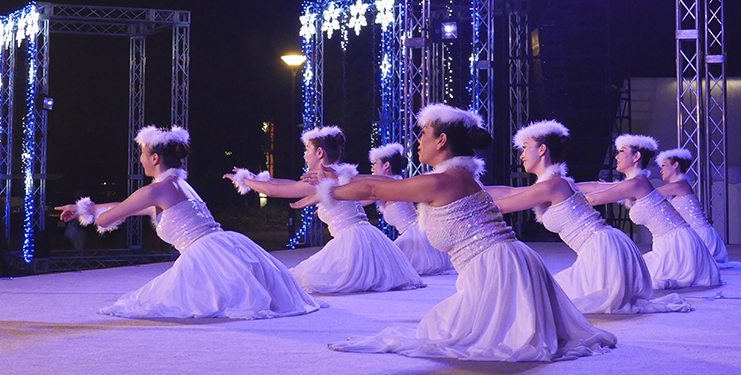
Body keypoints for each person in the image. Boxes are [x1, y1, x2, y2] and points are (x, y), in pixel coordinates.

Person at [292, 104, 617, 362]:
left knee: (453, 333)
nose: (419, 141)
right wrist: (336, 182)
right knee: (441, 326)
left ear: (442, 140)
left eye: (424, 134)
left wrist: (329, 190)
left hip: (502, 271)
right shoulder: (455, 177)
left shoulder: (445, 180)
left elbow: (375, 188)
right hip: (506, 265)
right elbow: (383, 183)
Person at [56, 125, 323, 319]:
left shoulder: (155, 190)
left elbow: (108, 218)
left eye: (142, 153)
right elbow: (132, 207)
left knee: (160, 302)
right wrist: (84, 208)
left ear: (154, 158)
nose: (140, 158)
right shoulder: (179, 185)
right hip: (225, 244)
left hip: (204, 255)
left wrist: (102, 213)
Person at [488, 120, 691, 314]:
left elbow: (504, 205)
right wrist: (475, 188)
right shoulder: (554, 183)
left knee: (540, 300)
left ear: (542, 150)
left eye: (525, 147)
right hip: (605, 247)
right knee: (542, 296)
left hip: (603, 252)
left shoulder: (552, 185)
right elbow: (510, 191)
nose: (522, 155)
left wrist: (470, 200)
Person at [226, 125, 424, 294]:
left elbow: (275, 191)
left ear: (320, 153)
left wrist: (244, 180)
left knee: (300, 278)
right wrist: (257, 179)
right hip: (369, 237)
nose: (304, 155)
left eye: (307, 150)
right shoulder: (341, 174)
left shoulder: (321, 179)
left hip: (352, 243)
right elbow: (289, 184)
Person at [578, 134, 721, 290]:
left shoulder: (637, 183)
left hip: (679, 246)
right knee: (624, 274)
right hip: (669, 243)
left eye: (622, 151)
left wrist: (562, 194)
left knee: (624, 278)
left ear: (636, 156)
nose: (617, 156)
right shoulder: (635, 183)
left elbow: (594, 199)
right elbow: (596, 186)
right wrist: (566, 185)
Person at [366, 142, 453, 276]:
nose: (373, 168)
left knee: (381, 267)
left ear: (386, 165)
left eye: (376, 163)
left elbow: (362, 197)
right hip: (412, 236)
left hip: (416, 239)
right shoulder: (392, 184)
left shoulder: (391, 187)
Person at [657, 148, 741, 269]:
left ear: (675, 165)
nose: (661, 170)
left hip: (701, 237)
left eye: (664, 166)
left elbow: (648, 195)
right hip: (696, 235)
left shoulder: (679, 185)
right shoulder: (678, 185)